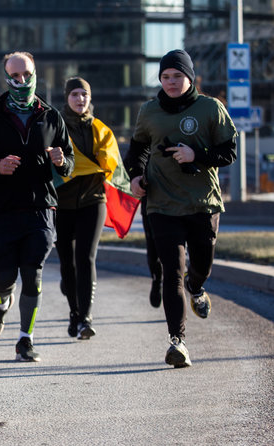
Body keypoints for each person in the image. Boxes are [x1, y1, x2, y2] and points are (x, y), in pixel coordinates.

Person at [125, 49, 237, 368]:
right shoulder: (149, 111)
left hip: (202, 204)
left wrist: (196, 155)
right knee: (171, 272)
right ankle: (178, 342)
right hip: (161, 204)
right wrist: (136, 176)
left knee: (200, 265)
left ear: (190, 77)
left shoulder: (210, 108)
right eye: (165, 77)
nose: (171, 82)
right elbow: (137, 149)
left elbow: (229, 151)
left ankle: (197, 286)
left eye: (177, 76)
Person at [0, 51, 74, 362]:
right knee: (4, 278)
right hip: (2, 210)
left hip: (40, 208)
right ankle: (1, 304)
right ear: (5, 77)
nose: (22, 81)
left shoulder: (51, 116)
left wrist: (62, 161)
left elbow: (69, 160)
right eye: (15, 76)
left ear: (35, 73)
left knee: (33, 273)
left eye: (26, 74)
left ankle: (25, 339)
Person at [55, 77, 135, 340]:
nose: (80, 99)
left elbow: (113, 167)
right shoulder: (55, 127)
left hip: (93, 200)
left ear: (90, 99)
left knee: (86, 258)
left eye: (84, 95)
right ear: (66, 97)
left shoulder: (101, 130)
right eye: (75, 94)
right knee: (67, 262)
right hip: (62, 204)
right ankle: (74, 312)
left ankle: (85, 318)